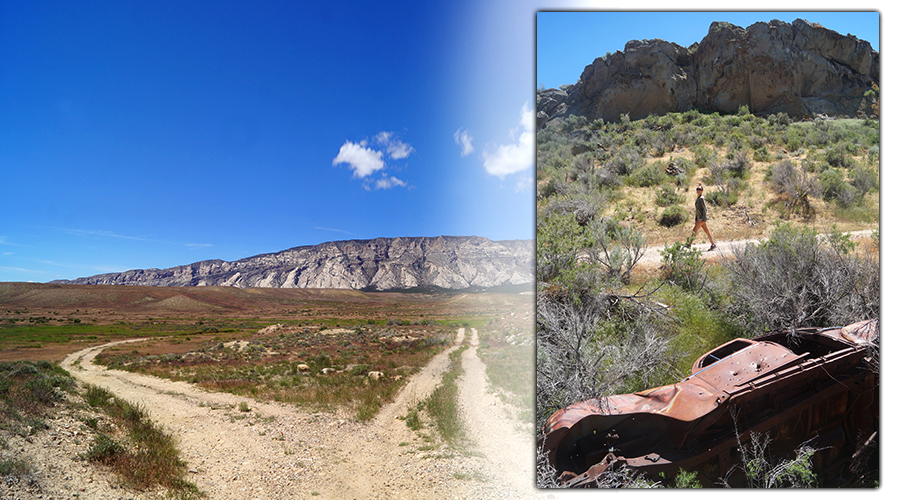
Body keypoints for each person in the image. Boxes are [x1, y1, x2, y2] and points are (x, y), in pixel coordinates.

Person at [691, 184, 716, 251]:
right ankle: (713, 244)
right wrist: (696, 219)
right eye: (697, 189)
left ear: (702, 191)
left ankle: (689, 244)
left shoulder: (702, 198)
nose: (698, 190)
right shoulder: (697, 199)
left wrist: (704, 219)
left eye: (699, 189)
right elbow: (697, 210)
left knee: (694, 231)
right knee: (707, 232)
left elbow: (705, 209)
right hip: (699, 218)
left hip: (701, 219)